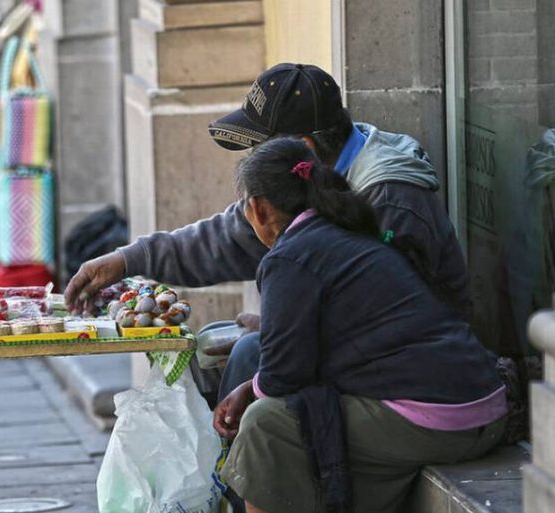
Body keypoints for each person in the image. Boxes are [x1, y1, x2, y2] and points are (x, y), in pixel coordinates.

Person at [175, 138, 506, 513]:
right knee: (307, 406)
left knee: (267, 422)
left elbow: (284, 377)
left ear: (258, 208)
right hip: (480, 405)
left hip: (441, 416)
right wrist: (255, 384)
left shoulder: (292, 256)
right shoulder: (346, 231)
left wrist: (248, 392)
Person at [64, 62, 470, 402]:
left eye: (260, 149)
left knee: (248, 358)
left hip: (415, 372)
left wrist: (290, 329)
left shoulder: (391, 197)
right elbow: (228, 237)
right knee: (208, 349)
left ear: (303, 148)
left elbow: (399, 315)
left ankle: (250, 493)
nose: (253, 160)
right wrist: (128, 260)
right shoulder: (308, 178)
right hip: (355, 345)